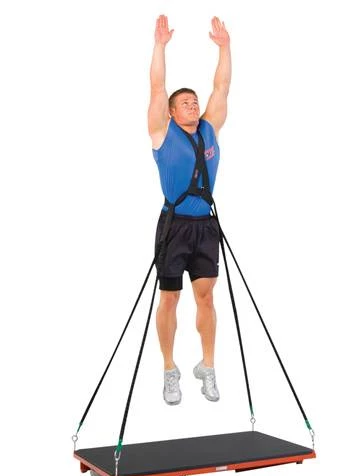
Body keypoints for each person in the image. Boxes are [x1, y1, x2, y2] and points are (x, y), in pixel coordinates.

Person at [148, 15, 231, 405]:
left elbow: (222, 86)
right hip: (174, 226)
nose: (194, 106)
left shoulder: (209, 129)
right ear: (171, 112)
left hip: (205, 227)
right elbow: (157, 86)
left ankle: (207, 366)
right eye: (185, 103)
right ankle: (169, 369)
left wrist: (225, 48)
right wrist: (160, 46)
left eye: (194, 102)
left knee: (207, 298)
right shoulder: (161, 133)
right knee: (169, 298)